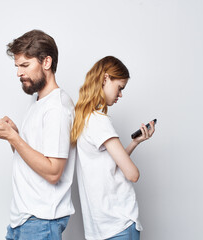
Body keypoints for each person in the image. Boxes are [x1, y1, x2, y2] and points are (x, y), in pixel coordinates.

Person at [0, 30, 75, 240]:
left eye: (25, 65)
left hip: (41, 222)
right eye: (17, 66)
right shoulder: (38, 102)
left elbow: (53, 172)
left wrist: (14, 138)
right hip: (23, 220)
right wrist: (12, 135)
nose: (19, 73)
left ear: (46, 62)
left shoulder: (57, 108)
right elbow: (32, 158)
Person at [70, 56, 155, 240]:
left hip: (103, 228)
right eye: (120, 88)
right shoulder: (100, 121)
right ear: (106, 78)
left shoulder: (83, 119)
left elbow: (110, 165)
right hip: (118, 225)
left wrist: (134, 142)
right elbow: (132, 174)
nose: (120, 95)